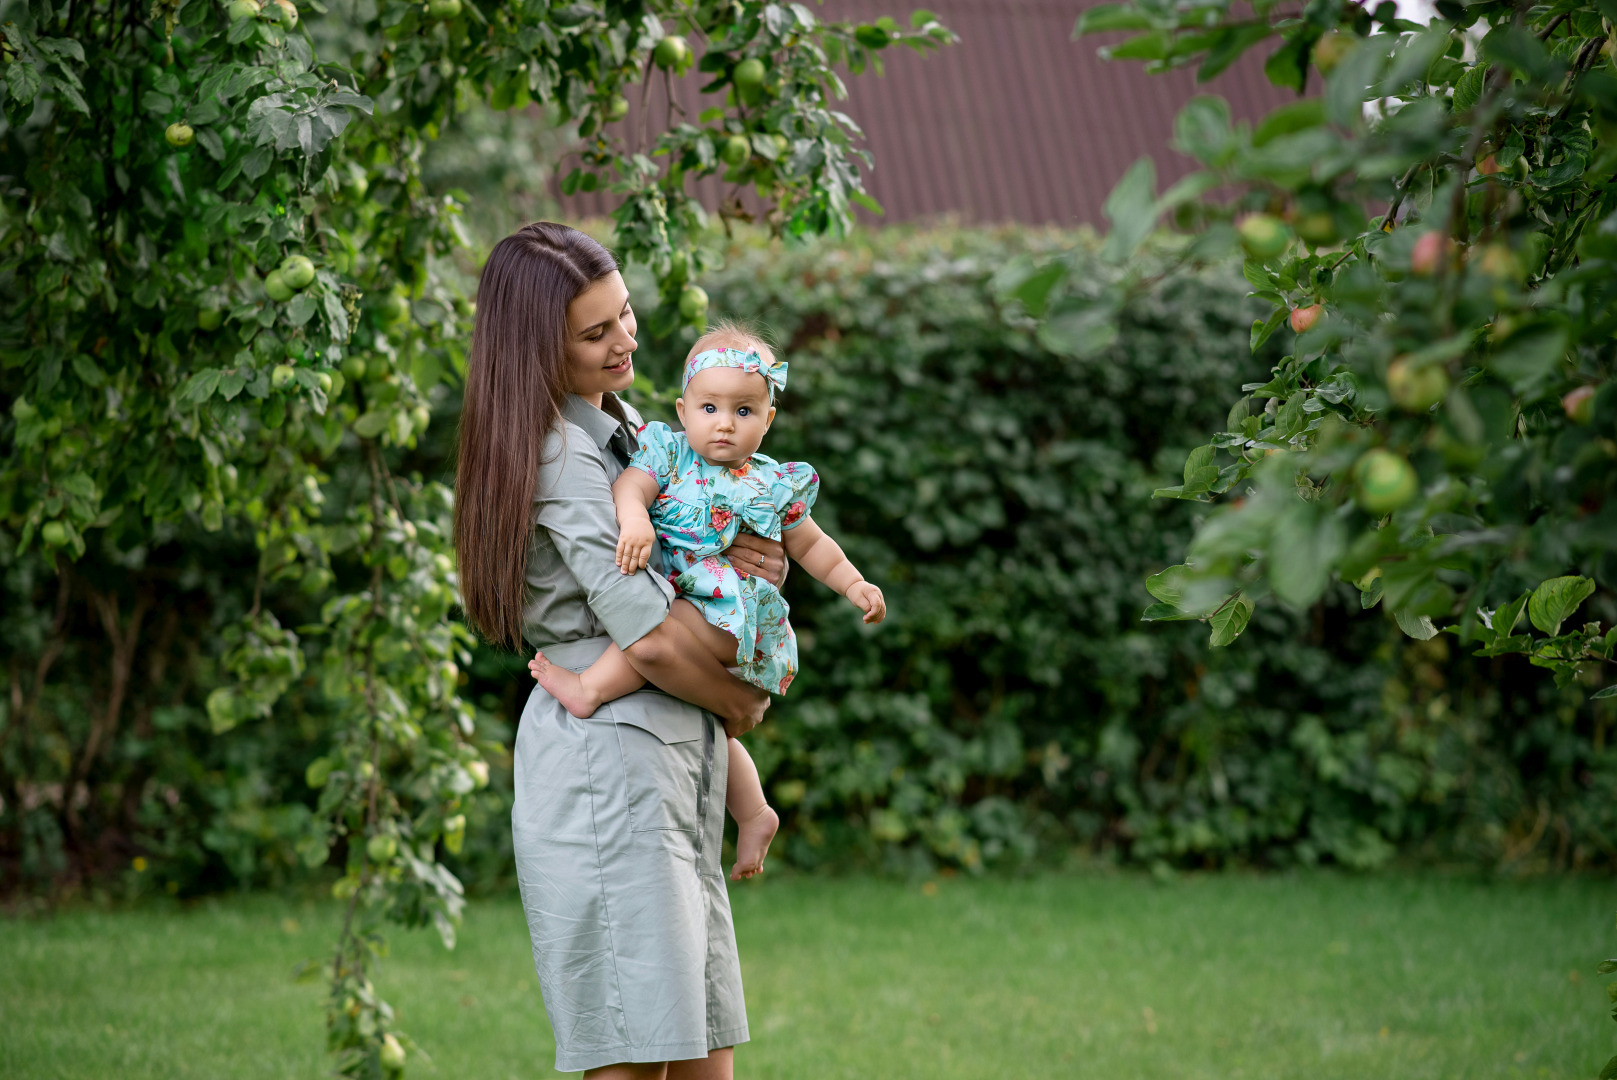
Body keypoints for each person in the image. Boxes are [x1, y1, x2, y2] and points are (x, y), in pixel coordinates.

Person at [454, 222, 778, 1079]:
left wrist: (757, 559)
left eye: (624, 313)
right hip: (611, 775)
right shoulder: (563, 457)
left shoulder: (628, 426)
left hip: (668, 762)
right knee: (636, 1055)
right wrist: (737, 702)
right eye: (595, 333)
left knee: (703, 1048)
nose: (625, 339)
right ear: (537, 350)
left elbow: (698, 557)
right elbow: (649, 634)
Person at [530, 324, 887, 880]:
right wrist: (634, 520)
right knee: (708, 714)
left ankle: (590, 688)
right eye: (710, 408)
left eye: (744, 411)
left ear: (768, 419)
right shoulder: (668, 453)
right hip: (708, 611)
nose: (725, 423)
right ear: (684, 410)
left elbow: (813, 544)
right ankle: (754, 811)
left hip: (730, 618)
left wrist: (854, 584)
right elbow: (630, 489)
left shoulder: (772, 483)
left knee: (653, 621)